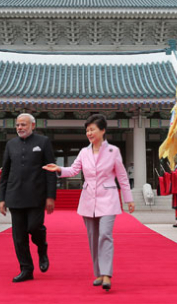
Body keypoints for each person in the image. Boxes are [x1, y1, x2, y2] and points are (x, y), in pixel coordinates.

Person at [44, 114, 135, 291]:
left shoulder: (113, 151)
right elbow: (74, 170)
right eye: (87, 130)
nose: (89, 133)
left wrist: (128, 198)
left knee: (105, 235)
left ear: (102, 130)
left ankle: (107, 274)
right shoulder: (84, 152)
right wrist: (59, 169)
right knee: (93, 238)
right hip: (88, 199)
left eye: (92, 129)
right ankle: (99, 273)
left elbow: (122, 177)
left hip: (108, 199)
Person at [0, 113, 56, 283]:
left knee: (34, 226)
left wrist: (50, 196)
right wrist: (2, 198)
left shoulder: (43, 142)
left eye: (23, 125)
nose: (20, 128)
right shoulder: (10, 145)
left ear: (32, 125)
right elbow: (5, 173)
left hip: (36, 195)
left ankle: (42, 247)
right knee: (19, 236)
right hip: (15, 195)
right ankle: (26, 269)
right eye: (17, 125)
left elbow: (51, 171)